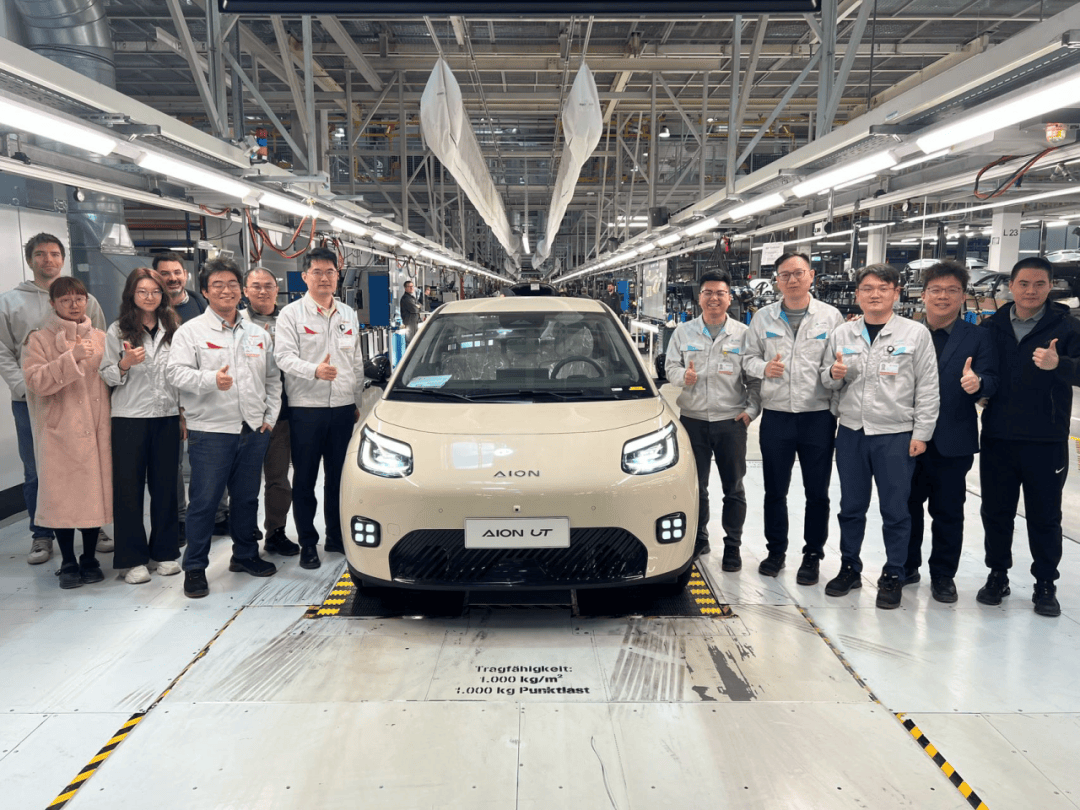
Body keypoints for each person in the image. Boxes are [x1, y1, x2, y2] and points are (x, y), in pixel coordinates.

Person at [822, 263, 939, 610]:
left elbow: (928, 388)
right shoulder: (843, 334)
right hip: (852, 433)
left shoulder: (915, 334)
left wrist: (922, 433)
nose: (875, 295)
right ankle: (849, 567)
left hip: (895, 435)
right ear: (858, 294)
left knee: (896, 510)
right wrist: (833, 374)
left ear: (896, 293)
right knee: (851, 507)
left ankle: (893, 573)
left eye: (883, 288)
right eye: (868, 288)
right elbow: (827, 381)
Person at [166, 258, 282, 598]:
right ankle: (194, 568)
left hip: (253, 429)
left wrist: (269, 416)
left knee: (246, 499)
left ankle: (245, 554)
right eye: (217, 285)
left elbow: (272, 378)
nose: (226, 290)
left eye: (232, 284)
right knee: (205, 501)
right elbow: (175, 373)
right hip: (211, 431)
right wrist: (210, 380)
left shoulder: (257, 334)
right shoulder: (191, 332)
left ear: (240, 290)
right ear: (204, 291)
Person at [976, 256, 1080, 617]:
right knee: (996, 511)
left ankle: (1045, 583)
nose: (1031, 291)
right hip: (998, 437)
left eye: (1039, 284)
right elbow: (981, 370)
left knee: (1045, 516)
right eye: (1023, 283)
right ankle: (997, 574)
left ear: (1051, 287)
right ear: (1011, 287)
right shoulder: (992, 326)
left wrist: (1060, 365)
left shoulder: (1067, 327)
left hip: (1046, 440)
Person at [0, 233, 109, 566]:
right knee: (39, 471)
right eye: (40, 254)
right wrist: (23, 387)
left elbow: (99, 344)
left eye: (54, 253)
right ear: (29, 259)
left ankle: (94, 525)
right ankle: (42, 533)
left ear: (62, 258)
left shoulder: (87, 299)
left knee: (90, 466)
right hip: (32, 399)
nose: (47, 259)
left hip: (83, 401)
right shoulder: (9, 302)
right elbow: (4, 350)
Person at [742, 252, 844, 585]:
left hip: (817, 417)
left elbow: (836, 364)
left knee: (817, 492)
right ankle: (776, 551)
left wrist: (835, 377)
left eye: (798, 273)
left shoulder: (830, 317)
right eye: (785, 275)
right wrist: (763, 368)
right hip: (777, 417)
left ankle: (812, 555)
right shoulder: (763, 318)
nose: (792, 280)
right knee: (775, 490)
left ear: (811, 275)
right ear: (777, 281)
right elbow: (747, 359)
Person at [905, 261, 998, 603]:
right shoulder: (905, 334)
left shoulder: (978, 337)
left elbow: (993, 379)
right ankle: (906, 565)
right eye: (936, 290)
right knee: (906, 507)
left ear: (962, 296)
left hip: (952, 440)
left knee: (948, 512)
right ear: (923, 295)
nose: (943, 297)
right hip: (906, 437)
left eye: (952, 290)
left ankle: (944, 575)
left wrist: (979, 383)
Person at [275, 248, 366, 570]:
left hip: (341, 408)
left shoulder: (348, 314)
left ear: (337, 276)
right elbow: (283, 357)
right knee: (305, 479)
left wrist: (355, 400)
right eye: (317, 272)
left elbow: (355, 360)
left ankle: (336, 536)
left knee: (338, 478)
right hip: (306, 409)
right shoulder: (291, 315)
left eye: (330, 272)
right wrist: (314, 370)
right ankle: (308, 543)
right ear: (305, 276)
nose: (324, 278)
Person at [665, 270, 761, 572]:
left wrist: (751, 411)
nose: (714, 298)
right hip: (693, 421)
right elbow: (670, 366)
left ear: (729, 298)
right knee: (697, 486)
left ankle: (733, 546)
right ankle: (699, 537)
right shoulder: (683, 332)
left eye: (720, 293)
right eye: (708, 293)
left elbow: (754, 379)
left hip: (731, 422)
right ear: (699, 298)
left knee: (734, 487)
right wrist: (683, 376)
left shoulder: (744, 334)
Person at [22, 277, 111, 589]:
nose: (74, 305)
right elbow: (35, 381)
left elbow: (111, 378)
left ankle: (89, 558)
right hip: (59, 431)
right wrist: (70, 357)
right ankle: (68, 560)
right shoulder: (39, 339)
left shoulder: (101, 337)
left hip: (96, 428)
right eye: (65, 300)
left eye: (79, 298)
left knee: (91, 495)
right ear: (53, 303)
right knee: (62, 497)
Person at [100, 268, 183, 585]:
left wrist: (182, 414)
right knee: (128, 489)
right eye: (142, 291)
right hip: (129, 418)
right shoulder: (117, 330)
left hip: (166, 416)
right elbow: (106, 375)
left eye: (155, 291)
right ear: (131, 295)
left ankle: (165, 552)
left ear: (163, 295)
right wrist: (124, 364)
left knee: (165, 487)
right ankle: (131, 559)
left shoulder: (173, 329)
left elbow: (181, 374)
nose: (150, 297)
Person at [153, 251, 226, 542]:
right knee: (171, 464)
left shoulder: (200, 306)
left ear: (186, 275)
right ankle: (180, 519)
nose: (172, 278)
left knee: (209, 460)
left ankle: (219, 514)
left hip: (203, 395)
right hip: (164, 398)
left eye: (177, 272)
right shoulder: (149, 311)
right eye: (165, 274)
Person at [242, 267, 299, 557]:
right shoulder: (236, 322)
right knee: (245, 481)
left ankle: (276, 531)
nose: (262, 291)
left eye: (268, 285)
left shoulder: (290, 320)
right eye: (256, 286)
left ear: (277, 290)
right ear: (245, 291)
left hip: (283, 411)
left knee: (278, 477)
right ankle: (245, 535)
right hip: (246, 414)